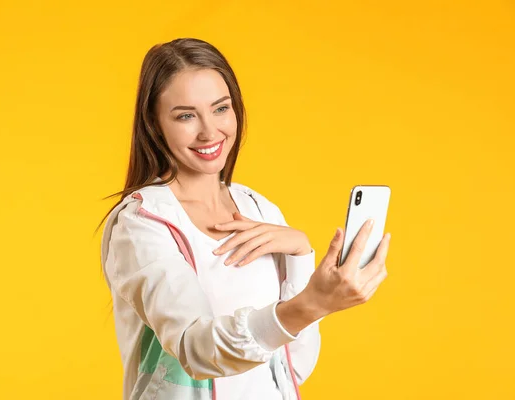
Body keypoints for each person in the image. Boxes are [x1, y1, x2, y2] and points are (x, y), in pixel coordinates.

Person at [97, 38, 391, 400]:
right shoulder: (142, 223)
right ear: (155, 125)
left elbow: (292, 368)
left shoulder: (259, 208)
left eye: (221, 108)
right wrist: (314, 303)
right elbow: (195, 350)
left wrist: (301, 254)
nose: (209, 131)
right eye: (186, 115)